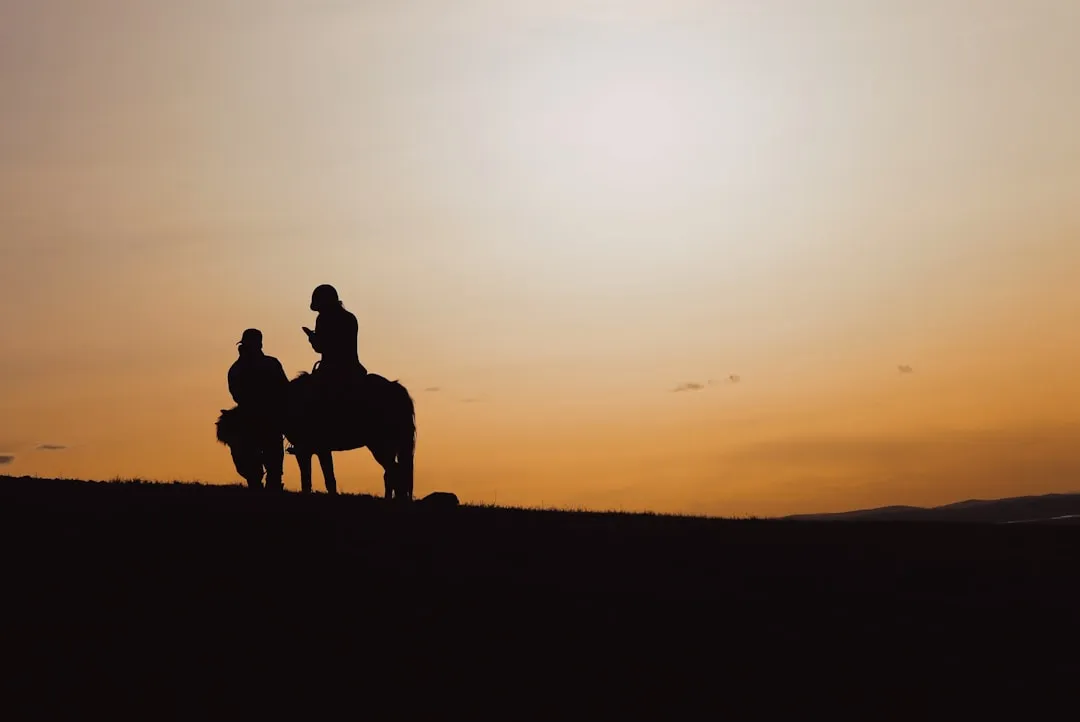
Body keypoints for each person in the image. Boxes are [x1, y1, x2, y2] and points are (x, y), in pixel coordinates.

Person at [227, 328, 290, 491]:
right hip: (262, 417)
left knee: (262, 459)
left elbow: (236, 394)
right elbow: (285, 389)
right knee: (268, 458)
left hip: (259, 417)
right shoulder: (270, 364)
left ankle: (264, 487)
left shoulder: (237, 368)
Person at [302, 284, 368, 411]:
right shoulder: (350, 317)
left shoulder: (323, 318)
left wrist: (311, 337)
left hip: (330, 371)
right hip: (354, 370)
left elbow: (320, 347)